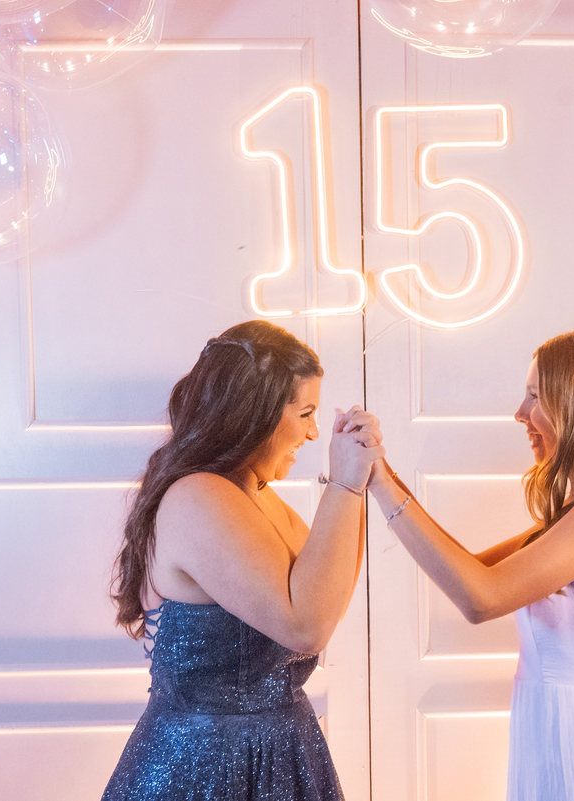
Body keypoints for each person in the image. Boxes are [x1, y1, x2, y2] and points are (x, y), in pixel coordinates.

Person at [367, 327, 574, 801]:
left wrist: (380, 484)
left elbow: (480, 599)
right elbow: (472, 571)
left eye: (535, 396)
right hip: (556, 734)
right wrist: (385, 472)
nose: (520, 413)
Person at [102, 319, 383, 801]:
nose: (314, 432)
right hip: (204, 768)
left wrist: (359, 480)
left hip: (283, 752)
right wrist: (344, 484)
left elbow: (328, 598)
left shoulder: (257, 497)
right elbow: (306, 628)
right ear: (256, 413)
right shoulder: (198, 497)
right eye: (305, 413)